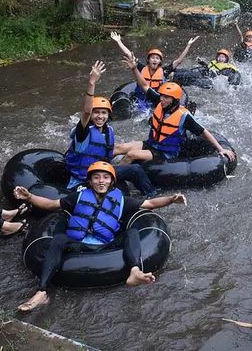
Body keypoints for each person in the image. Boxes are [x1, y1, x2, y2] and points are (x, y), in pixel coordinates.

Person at [13, 161, 188, 312]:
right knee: (58, 239)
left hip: (105, 245)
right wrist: (29, 196)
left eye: (105, 177)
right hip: (78, 242)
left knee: (132, 233)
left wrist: (171, 199)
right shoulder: (78, 196)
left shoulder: (122, 200)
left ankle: (134, 272)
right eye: (96, 177)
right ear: (90, 181)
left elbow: (150, 203)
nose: (101, 181)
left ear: (112, 181)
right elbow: (51, 204)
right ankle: (42, 292)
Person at [117, 52, 237, 164]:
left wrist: (221, 149)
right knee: (119, 148)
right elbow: (144, 85)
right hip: (152, 144)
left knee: (131, 155)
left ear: (175, 100)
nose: (162, 100)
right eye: (162, 96)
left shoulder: (184, 116)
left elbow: (204, 132)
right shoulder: (159, 100)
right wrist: (134, 69)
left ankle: (113, 177)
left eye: (166, 98)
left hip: (166, 153)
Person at [64, 60, 158, 197]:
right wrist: (92, 83)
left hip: (102, 173)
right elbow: (86, 111)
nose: (100, 116)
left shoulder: (109, 132)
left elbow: (108, 156)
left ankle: (152, 197)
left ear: (109, 115)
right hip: (84, 178)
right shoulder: (83, 131)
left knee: (136, 169)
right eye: (96, 112)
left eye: (104, 113)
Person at [111, 31, 200, 111]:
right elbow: (129, 55)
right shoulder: (141, 68)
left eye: (157, 58)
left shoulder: (164, 71)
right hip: (139, 98)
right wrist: (119, 41)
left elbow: (179, 61)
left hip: (154, 100)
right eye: (152, 58)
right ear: (148, 60)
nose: (154, 60)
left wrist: (188, 45)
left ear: (160, 61)